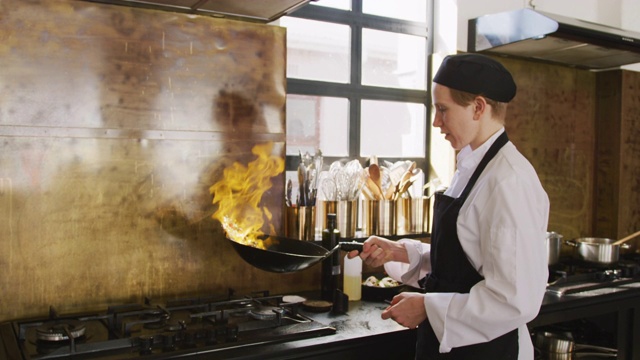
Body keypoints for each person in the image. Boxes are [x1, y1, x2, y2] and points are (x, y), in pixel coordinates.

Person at [350, 54, 549, 360]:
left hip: (490, 352)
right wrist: (400, 252)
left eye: (443, 109)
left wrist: (428, 307)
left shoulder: (509, 181)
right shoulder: (472, 166)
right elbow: (467, 262)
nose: (435, 121)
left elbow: (514, 298)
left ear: (478, 108)